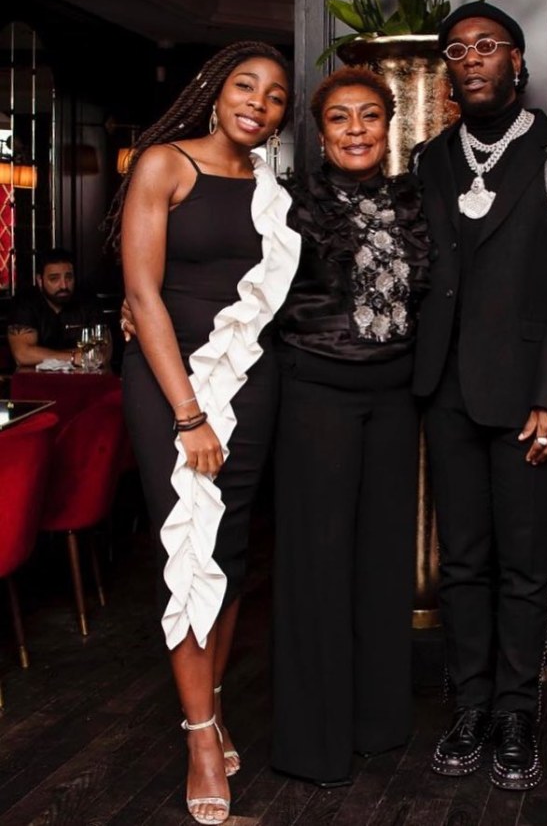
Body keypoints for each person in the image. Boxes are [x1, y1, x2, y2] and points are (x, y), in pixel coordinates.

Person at [410, 2, 547, 791]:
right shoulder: (431, 159)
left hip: (530, 397)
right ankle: (471, 706)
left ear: (517, 61)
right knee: (462, 563)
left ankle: (518, 712)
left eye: (487, 46)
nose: (472, 59)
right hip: (446, 391)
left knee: (525, 565)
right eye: (457, 50)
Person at [105, 41, 300, 825]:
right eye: (246, 85)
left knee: (231, 549)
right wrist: (188, 413)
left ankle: (211, 706)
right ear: (215, 92)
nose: (259, 102)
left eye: (276, 95)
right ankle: (199, 740)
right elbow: (142, 293)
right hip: (170, 385)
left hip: (252, 382)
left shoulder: (270, 189)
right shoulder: (164, 163)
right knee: (188, 548)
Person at [269, 65, 430, 787]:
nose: (356, 129)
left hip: (395, 398)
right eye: (340, 117)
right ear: (320, 131)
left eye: (370, 115)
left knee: (382, 562)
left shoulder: (414, 199)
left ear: (389, 125)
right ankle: (314, 744)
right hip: (317, 395)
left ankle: (377, 724)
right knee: (317, 564)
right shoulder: (287, 202)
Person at [7, 247, 104, 367]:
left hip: (82, 375)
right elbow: (23, 354)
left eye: (69, 277)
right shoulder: (25, 302)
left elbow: (102, 352)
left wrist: (42, 354)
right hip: (35, 377)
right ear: (40, 280)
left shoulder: (87, 300)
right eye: (54, 279)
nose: (64, 286)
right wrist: (73, 357)